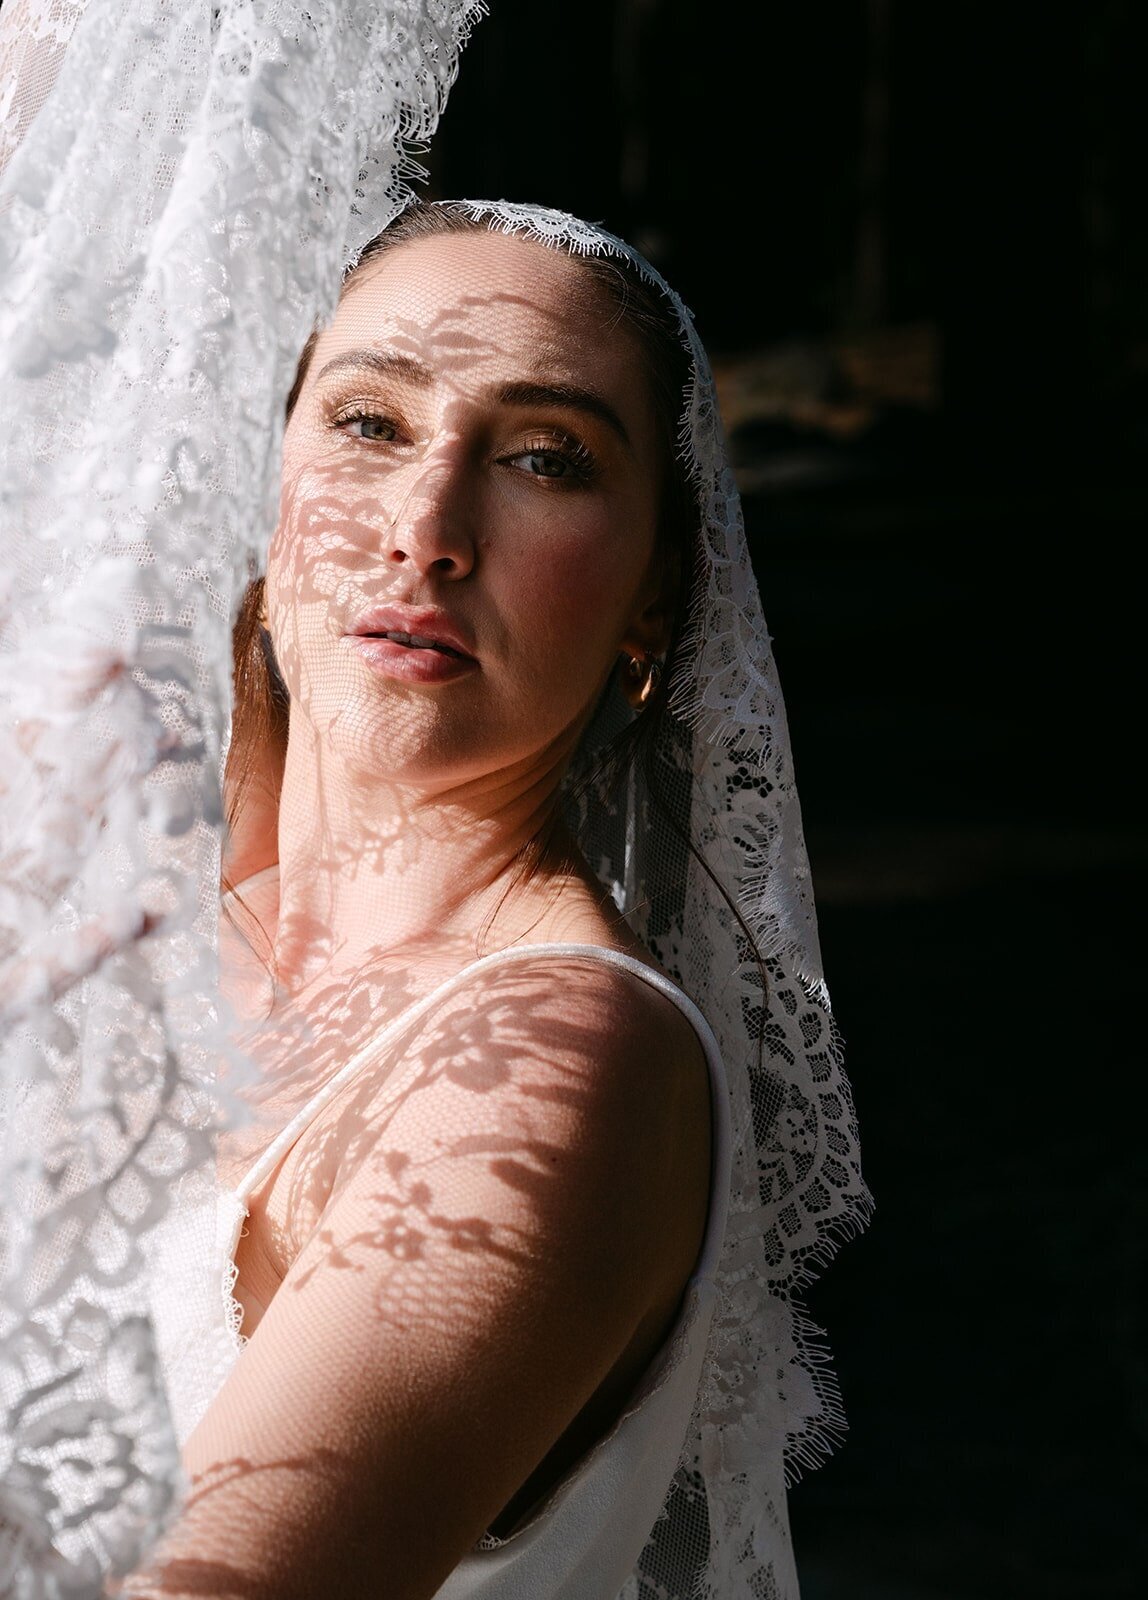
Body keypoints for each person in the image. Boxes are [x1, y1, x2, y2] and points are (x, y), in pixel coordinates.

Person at [107, 198, 866, 1600]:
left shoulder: (559, 1061)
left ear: (654, 599)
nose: (426, 530)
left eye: (543, 458)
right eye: (369, 423)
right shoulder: (158, 922)